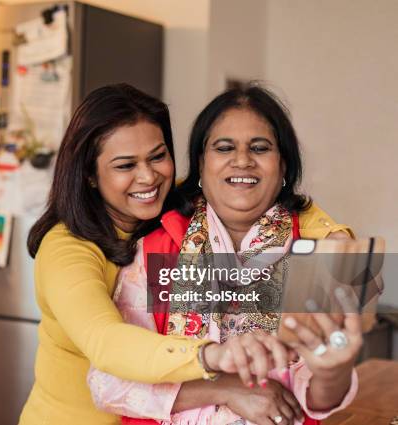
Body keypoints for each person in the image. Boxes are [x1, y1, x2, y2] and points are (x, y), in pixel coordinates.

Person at [19, 84, 294, 425]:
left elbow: (274, 202)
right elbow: (106, 342)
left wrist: (333, 235)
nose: (148, 176)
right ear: (90, 175)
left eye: (158, 156)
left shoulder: (167, 214)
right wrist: (214, 359)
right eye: (124, 166)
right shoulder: (67, 249)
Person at [87, 85, 360, 425]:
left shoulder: (314, 252)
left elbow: (316, 395)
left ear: (284, 165)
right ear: (201, 164)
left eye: (260, 148)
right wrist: (226, 389)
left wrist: (334, 371)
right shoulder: (157, 249)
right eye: (224, 147)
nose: (242, 160)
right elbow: (108, 384)